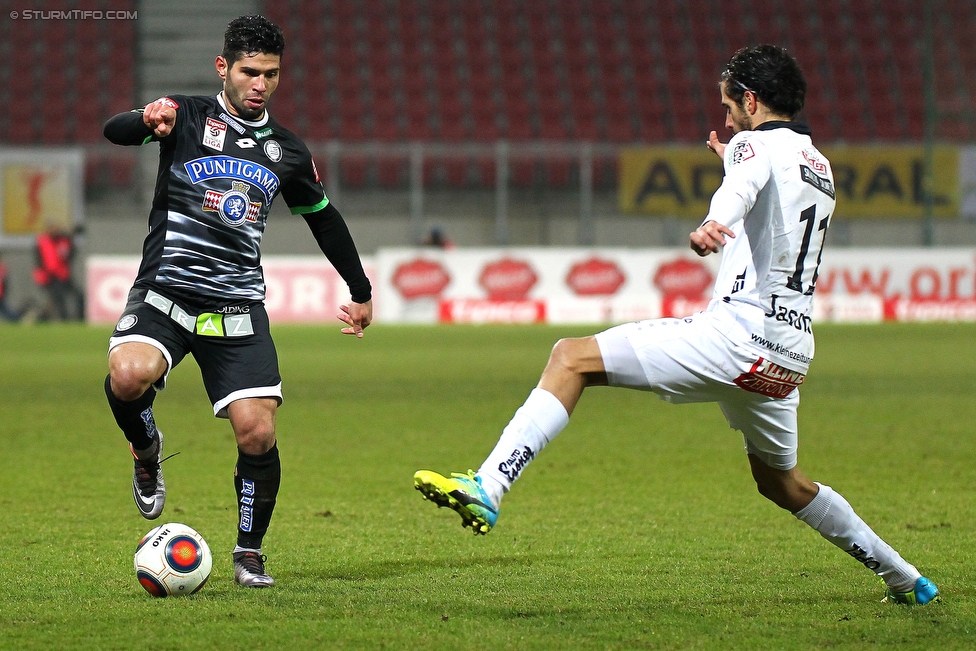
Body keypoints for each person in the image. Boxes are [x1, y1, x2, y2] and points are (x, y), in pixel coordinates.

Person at [414, 44, 939, 606]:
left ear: (752, 99)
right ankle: (906, 577)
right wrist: (734, 186)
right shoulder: (817, 164)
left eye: (729, 104)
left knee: (571, 357)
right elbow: (771, 224)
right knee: (782, 484)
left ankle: (489, 486)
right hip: (787, 356)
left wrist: (714, 221)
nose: (726, 117)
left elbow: (740, 187)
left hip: (737, 338)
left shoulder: (751, 146)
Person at [102, 15, 372, 588]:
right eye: (250, 72)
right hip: (166, 291)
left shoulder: (288, 152)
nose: (260, 84)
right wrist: (143, 120)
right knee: (128, 377)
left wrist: (360, 290)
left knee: (258, 433)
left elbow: (324, 220)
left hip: (236, 307)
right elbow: (115, 130)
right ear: (223, 67)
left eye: (271, 74)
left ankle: (248, 552)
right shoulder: (185, 115)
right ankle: (146, 447)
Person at [33, 226, 84, 321]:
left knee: (76, 296)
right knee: (58, 298)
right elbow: (42, 262)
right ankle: (63, 318)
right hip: (50, 277)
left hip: (62, 275)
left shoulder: (61, 241)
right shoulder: (43, 243)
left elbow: (69, 254)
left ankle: (78, 317)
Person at [0, 253, 21, 322]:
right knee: (4, 309)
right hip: (2, 292)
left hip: (1, 292)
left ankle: (17, 318)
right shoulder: (2, 267)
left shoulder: (2, 268)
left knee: (4, 309)